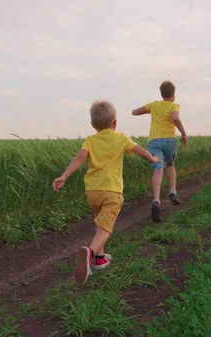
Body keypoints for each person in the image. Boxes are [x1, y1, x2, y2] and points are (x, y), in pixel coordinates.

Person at [52, 100, 160, 284]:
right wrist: (152, 159)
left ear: (93, 125)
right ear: (115, 123)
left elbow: (79, 159)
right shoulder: (121, 138)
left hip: (92, 191)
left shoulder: (90, 141)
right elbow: (140, 151)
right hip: (112, 191)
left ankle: (99, 259)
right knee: (105, 230)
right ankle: (90, 254)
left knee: (99, 222)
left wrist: (64, 176)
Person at [131, 81, 188, 222]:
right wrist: (183, 133)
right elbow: (175, 118)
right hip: (169, 140)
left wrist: (149, 110)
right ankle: (172, 192)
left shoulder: (154, 105)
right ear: (173, 95)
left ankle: (156, 200)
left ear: (161, 93)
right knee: (170, 165)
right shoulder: (175, 105)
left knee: (158, 169)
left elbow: (134, 112)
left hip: (154, 141)